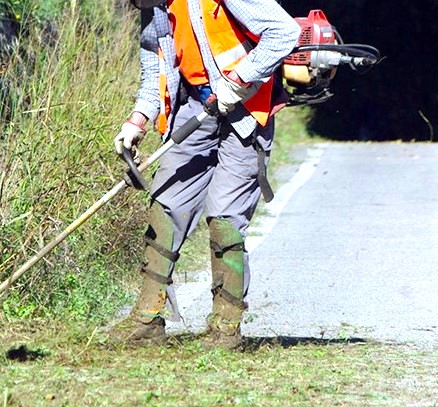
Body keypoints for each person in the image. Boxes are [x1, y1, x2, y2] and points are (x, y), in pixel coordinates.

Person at [110, 0, 300, 349]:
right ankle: (146, 320)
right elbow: (155, 75)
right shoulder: (154, 7)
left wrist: (238, 80)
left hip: (245, 107)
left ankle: (225, 329)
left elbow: (285, 32)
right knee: (166, 202)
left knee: (225, 214)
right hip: (195, 106)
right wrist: (137, 120)